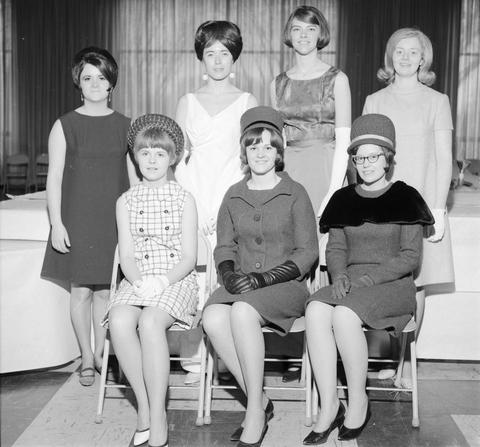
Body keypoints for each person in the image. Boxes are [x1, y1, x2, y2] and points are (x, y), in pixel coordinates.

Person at [303, 114, 433, 445]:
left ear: (388, 158)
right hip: (350, 284)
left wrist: (363, 280)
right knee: (316, 309)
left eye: (374, 155)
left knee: (344, 315)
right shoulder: (343, 200)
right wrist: (342, 275)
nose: (366, 164)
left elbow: (410, 257)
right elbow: (336, 249)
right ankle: (330, 404)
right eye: (360, 157)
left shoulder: (406, 197)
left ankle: (359, 401)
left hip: (392, 286)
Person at [202, 106, 318, 447]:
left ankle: (254, 410)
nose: (261, 153)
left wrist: (262, 281)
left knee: (240, 311)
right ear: (244, 151)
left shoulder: (295, 192)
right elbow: (224, 246)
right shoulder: (233, 194)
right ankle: (262, 398)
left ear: (279, 152)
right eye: (254, 146)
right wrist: (227, 273)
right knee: (212, 316)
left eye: (269, 146)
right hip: (243, 284)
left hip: (285, 286)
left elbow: (307, 253)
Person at [363, 28, 454, 384]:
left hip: (423, 208)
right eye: (398, 51)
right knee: (387, 284)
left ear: (423, 59)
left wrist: (439, 208)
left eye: (412, 52)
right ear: (391, 57)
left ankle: (405, 365)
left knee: (417, 285)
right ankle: (389, 357)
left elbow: (444, 158)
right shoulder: (374, 100)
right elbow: (364, 159)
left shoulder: (438, 100)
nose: (405, 57)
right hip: (383, 205)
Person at [41, 47, 137, 387]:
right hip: (77, 218)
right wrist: (57, 223)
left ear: (111, 82)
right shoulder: (65, 125)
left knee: (106, 293)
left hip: (113, 221)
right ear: (78, 84)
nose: (95, 84)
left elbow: (135, 178)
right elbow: (53, 178)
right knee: (80, 291)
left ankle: (101, 355)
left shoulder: (127, 126)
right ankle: (85, 356)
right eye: (87, 78)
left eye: (101, 77)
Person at [105, 114, 198, 447]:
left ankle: (158, 416)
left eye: (160, 153)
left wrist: (160, 282)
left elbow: (189, 257)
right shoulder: (126, 200)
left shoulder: (184, 199)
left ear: (172, 156)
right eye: (145, 153)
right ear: (135, 157)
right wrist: (140, 281)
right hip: (137, 277)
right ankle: (144, 406)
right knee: (118, 320)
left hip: (175, 279)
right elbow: (127, 255)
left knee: (149, 321)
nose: (152, 160)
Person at [175, 20, 257, 384]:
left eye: (224, 53)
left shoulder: (246, 101)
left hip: (231, 194)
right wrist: (192, 206)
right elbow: (178, 157)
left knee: (224, 275)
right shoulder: (187, 101)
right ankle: (194, 360)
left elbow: (249, 157)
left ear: (234, 57)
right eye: (211, 53)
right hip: (194, 194)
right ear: (201, 59)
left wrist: (225, 207)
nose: (218, 60)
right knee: (194, 276)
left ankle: (225, 357)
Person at [271, 5, 351, 216]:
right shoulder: (278, 84)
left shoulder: (338, 80)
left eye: (311, 29)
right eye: (297, 29)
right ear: (289, 34)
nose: (303, 35)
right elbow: (278, 142)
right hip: (290, 169)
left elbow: (344, 140)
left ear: (320, 33)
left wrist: (334, 189)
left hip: (327, 167)